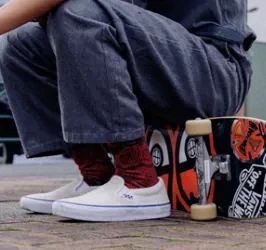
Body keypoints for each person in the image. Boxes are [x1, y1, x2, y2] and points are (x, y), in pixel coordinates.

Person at [0, 0, 256, 222]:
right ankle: (96, 176)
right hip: (160, 58)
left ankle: (140, 183)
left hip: (214, 69)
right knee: (20, 43)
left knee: (80, 11)